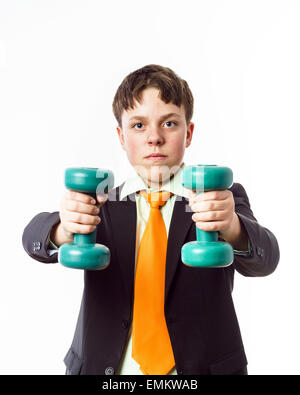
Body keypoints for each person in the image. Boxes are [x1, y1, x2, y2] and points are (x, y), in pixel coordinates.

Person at [22, 64, 280, 375]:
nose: (154, 138)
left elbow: (267, 258)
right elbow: (31, 239)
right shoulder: (98, 202)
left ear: (189, 133)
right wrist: (63, 229)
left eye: (169, 123)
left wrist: (232, 227)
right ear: (121, 136)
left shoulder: (220, 198)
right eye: (139, 126)